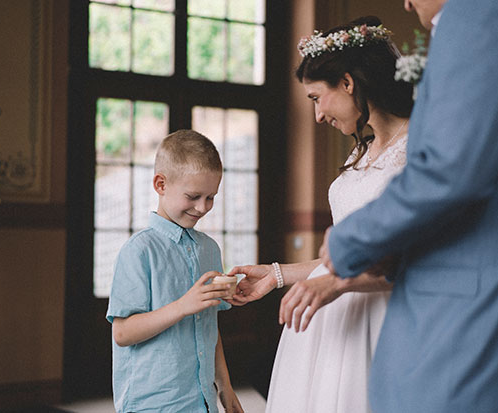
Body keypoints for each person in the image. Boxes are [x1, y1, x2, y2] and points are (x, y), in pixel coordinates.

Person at [319, 0, 498, 411]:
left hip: (481, 306)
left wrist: (351, 239)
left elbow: (451, 167)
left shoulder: (486, 12)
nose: (406, 2)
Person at [227, 16, 414, 412]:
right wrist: (275, 275)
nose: (317, 116)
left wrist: (336, 284)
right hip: (330, 323)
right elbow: (340, 258)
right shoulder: (360, 152)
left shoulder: (418, 150)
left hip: (385, 322)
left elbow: (411, 259)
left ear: (348, 83)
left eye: (316, 98)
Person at [106, 130, 244, 413]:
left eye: (210, 197)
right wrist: (183, 306)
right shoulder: (139, 251)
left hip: (202, 401)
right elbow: (122, 333)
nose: (203, 207)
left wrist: (225, 387)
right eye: (193, 196)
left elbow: (209, 326)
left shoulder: (210, 250)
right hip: (153, 404)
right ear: (161, 184)